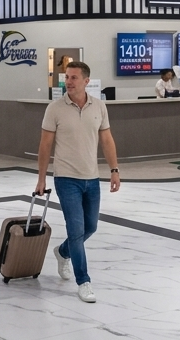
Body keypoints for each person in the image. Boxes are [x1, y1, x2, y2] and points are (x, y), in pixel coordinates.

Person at [34, 61, 120, 303]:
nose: (68, 82)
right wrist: (41, 178)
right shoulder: (55, 109)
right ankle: (84, 281)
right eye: (66, 78)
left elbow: (107, 140)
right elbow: (44, 145)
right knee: (76, 229)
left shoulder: (99, 107)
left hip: (91, 178)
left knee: (90, 227)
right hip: (66, 178)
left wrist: (114, 170)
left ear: (86, 81)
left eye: (73, 78)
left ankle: (62, 253)